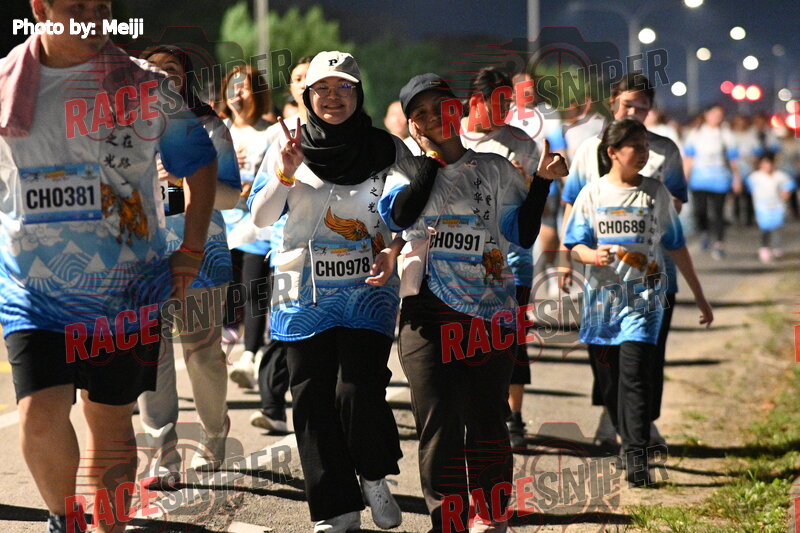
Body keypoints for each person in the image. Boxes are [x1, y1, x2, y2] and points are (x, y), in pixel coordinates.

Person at [0, 1, 218, 532]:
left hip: (126, 286)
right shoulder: (6, 83)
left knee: (110, 421)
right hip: (32, 287)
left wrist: (190, 251)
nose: (93, 17)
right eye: (77, 6)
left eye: (101, 7)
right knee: (39, 414)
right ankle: (65, 518)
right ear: (40, 8)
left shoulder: (146, 85)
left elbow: (198, 163)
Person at [380, 73, 566, 532]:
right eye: (419, 113)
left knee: (486, 419)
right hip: (426, 314)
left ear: (458, 110)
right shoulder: (404, 170)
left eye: (440, 107)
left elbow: (522, 233)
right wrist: (430, 158)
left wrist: (541, 183)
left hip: (489, 312)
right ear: (412, 125)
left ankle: (492, 512)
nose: (431, 118)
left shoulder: (495, 168)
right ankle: (449, 521)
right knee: (438, 423)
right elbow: (401, 216)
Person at [249, 51, 407, 533]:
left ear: (359, 94)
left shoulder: (387, 147)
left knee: (359, 389)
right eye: (322, 88)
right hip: (301, 290)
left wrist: (395, 248)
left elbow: (412, 210)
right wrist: (285, 171)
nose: (333, 98)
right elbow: (260, 217)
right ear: (307, 95)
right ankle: (335, 508)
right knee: (312, 396)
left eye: (344, 88)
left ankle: (373, 473)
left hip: (368, 286)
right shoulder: (287, 144)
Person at [563, 118, 713, 486]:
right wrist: (592, 256)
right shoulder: (593, 193)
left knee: (636, 378)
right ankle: (624, 438)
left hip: (644, 302)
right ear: (613, 152)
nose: (645, 153)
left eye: (646, 145)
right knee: (610, 382)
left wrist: (699, 296)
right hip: (602, 304)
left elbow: (676, 246)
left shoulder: (656, 193)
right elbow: (575, 245)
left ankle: (636, 457)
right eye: (637, 146)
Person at [560, 74, 688, 451]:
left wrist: (653, 206)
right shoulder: (589, 150)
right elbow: (571, 204)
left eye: (641, 108)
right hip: (601, 275)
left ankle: (643, 426)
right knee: (604, 356)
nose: (633, 113)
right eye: (627, 105)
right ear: (612, 102)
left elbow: (677, 205)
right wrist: (566, 258)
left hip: (653, 274)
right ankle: (614, 415)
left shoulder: (664, 150)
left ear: (651, 111)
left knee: (647, 356)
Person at [136, 44, 241, 479]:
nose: (164, 76)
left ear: (186, 77)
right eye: (155, 69)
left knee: (202, 356)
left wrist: (187, 178)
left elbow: (231, 196)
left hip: (202, 256)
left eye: (172, 69)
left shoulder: (209, 125)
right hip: (144, 256)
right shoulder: (130, 125)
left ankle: (214, 433)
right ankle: (163, 453)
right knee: (151, 356)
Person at [459, 67, 540, 449]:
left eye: (510, 102)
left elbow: (535, 205)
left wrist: (528, 183)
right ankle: (472, 413)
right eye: (501, 102)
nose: (508, 110)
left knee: (511, 340)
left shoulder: (522, 144)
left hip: (511, 262)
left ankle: (513, 415)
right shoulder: (452, 137)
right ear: (477, 100)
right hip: (458, 262)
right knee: (463, 341)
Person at [249, 56, 313, 435]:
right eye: (298, 78)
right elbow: (261, 198)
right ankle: (272, 406)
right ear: (290, 88)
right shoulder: (279, 135)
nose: (305, 84)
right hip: (286, 255)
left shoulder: (349, 134)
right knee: (281, 330)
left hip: (336, 259)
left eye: (311, 77)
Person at [218, 65, 274, 390]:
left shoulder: (272, 133)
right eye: (232, 87)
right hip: (221, 223)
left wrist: (254, 186)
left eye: (244, 87)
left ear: (258, 93)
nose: (237, 94)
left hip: (256, 226)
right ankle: (221, 349)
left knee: (253, 289)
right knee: (225, 293)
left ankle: (250, 357)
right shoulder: (217, 130)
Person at [683, 103, 742, 259]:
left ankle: (719, 244)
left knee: (718, 213)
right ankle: (704, 232)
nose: (716, 117)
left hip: (720, 179)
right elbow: (688, 158)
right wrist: (684, 178)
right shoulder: (696, 133)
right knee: (700, 211)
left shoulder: (726, 134)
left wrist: (737, 179)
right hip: (699, 179)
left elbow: (733, 160)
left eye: (719, 114)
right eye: (714, 114)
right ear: (706, 114)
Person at [746, 152, 795, 262]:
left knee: (777, 227)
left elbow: (789, 184)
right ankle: (764, 248)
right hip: (762, 206)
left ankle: (777, 248)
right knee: (765, 228)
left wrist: (786, 192)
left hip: (777, 205)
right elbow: (748, 186)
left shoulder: (779, 176)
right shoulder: (756, 177)